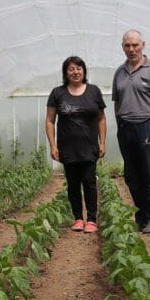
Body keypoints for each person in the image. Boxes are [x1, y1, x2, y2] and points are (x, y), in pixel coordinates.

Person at [112, 29, 150, 234]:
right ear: (123, 47)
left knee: (149, 172)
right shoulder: (119, 72)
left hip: (147, 124)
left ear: (143, 45)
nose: (131, 49)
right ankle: (141, 215)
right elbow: (117, 102)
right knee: (131, 175)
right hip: (126, 127)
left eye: (135, 45)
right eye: (127, 45)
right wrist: (119, 124)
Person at [46, 55, 107, 233]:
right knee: (72, 183)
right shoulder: (57, 93)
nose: (75, 72)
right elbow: (50, 121)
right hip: (67, 147)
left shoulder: (94, 91)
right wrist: (53, 145)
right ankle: (78, 218)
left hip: (89, 146)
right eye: (71, 69)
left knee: (89, 182)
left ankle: (92, 219)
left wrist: (102, 142)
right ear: (66, 72)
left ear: (84, 70)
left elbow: (101, 118)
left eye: (79, 68)